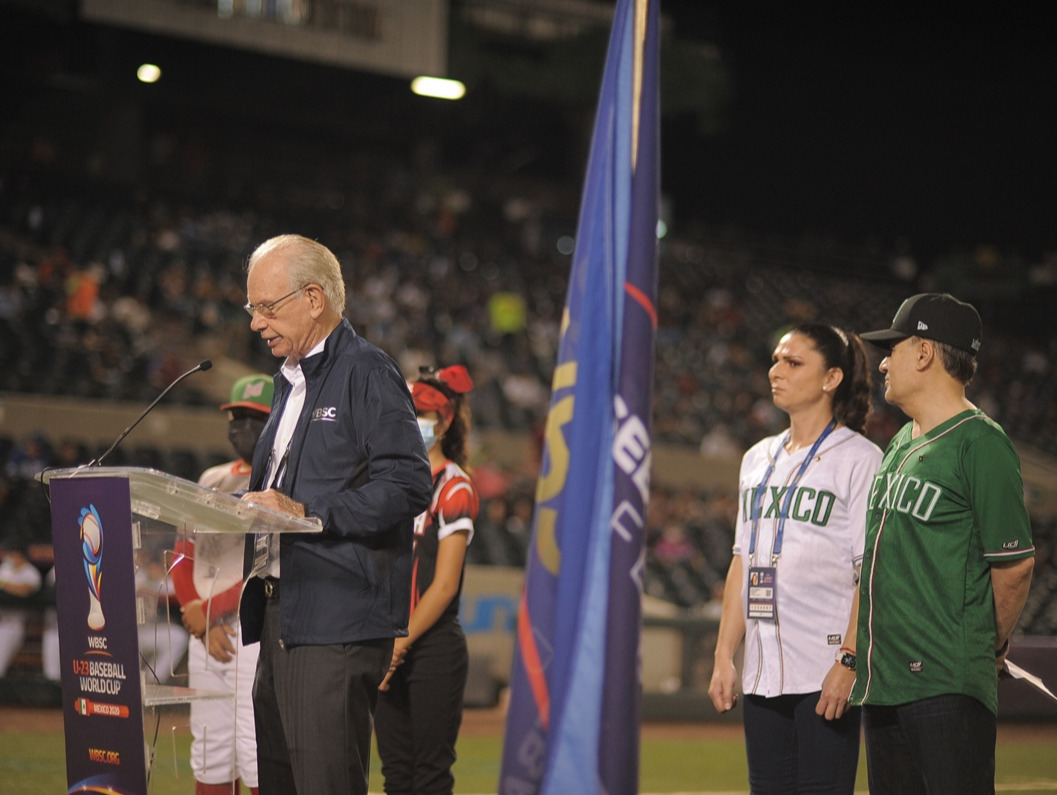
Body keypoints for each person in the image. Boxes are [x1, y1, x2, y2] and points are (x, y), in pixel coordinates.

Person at [237, 234, 432, 795]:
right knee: (280, 783)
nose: (256, 322)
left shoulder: (368, 372)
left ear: (314, 299)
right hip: (282, 615)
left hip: (335, 621)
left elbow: (408, 482)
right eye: (253, 309)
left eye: (267, 307)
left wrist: (306, 512)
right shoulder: (288, 384)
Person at [852, 293, 1035, 795]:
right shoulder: (899, 443)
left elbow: (1015, 566)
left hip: (945, 682)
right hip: (884, 680)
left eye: (894, 348)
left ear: (926, 353)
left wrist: (987, 647)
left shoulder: (981, 443)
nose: (884, 361)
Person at [708, 323, 882, 794]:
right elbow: (741, 562)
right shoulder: (756, 458)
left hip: (825, 667)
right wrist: (725, 655)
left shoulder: (861, 459)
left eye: (793, 362)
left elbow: (869, 570)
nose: (776, 371)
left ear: (832, 378)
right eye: (776, 359)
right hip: (762, 670)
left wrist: (849, 660)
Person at [375, 365, 479, 795]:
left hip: (431, 646)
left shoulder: (454, 486)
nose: (413, 422)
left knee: (431, 776)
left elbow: (444, 585)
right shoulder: (389, 483)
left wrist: (400, 643)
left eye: (423, 413)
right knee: (396, 776)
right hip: (388, 639)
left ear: (446, 420)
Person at [172, 373, 273, 795]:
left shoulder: (277, 483)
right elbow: (182, 551)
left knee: (255, 750)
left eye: (253, 417)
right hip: (203, 625)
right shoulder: (211, 477)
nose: (241, 426)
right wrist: (193, 611)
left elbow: (267, 563)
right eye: (235, 416)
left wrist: (208, 611)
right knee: (210, 749)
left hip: (250, 631)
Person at [0, 537, 43, 677]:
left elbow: (26, 590)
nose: (9, 557)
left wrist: (3, 585)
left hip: (14, 625)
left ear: (19, 554)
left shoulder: (31, 573)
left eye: (12, 554)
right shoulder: (5, 569)